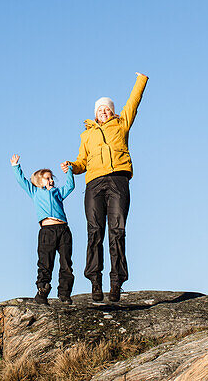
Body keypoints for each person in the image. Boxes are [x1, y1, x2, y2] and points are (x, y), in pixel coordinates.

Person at [61, 72, 148, 304]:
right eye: (100, 110)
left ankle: (116, 283)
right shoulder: (86, 135)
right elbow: (82, 162)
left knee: (117, 231)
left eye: (107, 109)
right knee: (94, 231)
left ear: (112, 111)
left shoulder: (121, 125)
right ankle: (95, 282)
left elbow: (133, 103)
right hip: (94, 184)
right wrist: (72, 166)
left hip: (118, 180)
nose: (104, 112)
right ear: (95, 114)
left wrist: (141, 80)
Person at [10, 154, 76, 304]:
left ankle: (65, 294)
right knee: (45, 263)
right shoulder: (35, 192)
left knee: (66, 263)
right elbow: (22, 181)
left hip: (63, 230)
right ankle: (42, 291)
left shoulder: (58, 193)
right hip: (47, 232)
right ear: (39, 181)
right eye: (47, 178)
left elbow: (70, 186)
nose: (51, 180)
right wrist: (16, 166)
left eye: (52, 178)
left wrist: (69, 171)